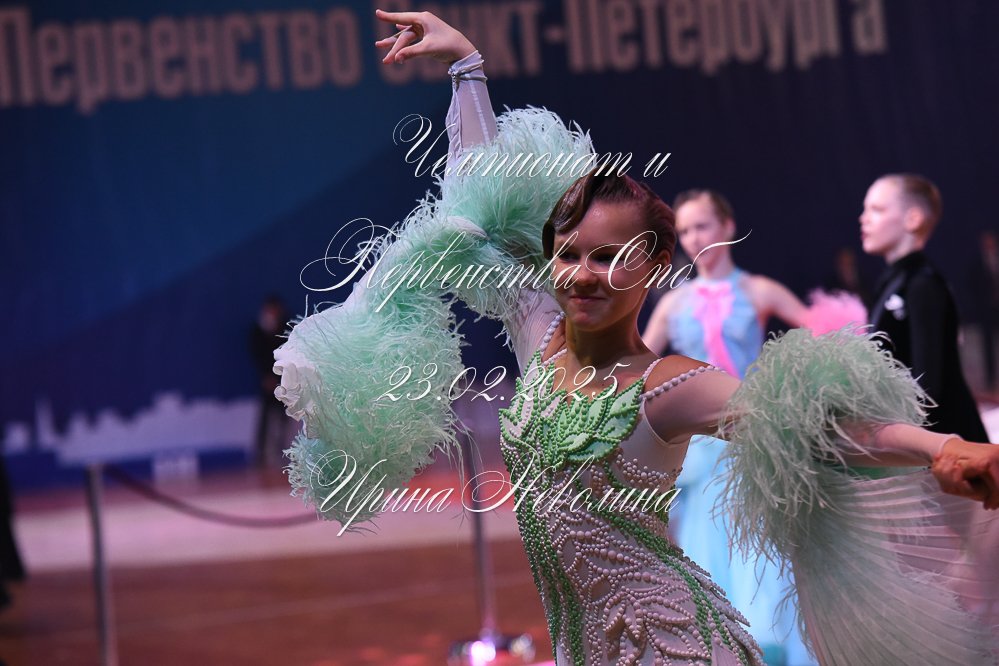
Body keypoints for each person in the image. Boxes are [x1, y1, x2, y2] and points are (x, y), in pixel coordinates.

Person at [272, 12, 999, 665]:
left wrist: (938, 446)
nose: (584, 275)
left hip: (673, 648)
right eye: (569, 254)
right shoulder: (538, 333)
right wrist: (467, 68)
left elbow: (816, 430)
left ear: (653, 265)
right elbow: (480, 198)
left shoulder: (668, 387)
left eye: (610, 257)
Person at [641, 190, 813, 665]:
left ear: (727, 227)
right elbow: (638, 368)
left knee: (764, 557)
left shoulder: (758, 290)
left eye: (703, 226)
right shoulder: (675, 303)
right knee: (706, 554)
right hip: (701, 453)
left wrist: (792, 390)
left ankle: (771, 648)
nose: (694, 238)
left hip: (754, 442)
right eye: (685, 230)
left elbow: (820, 332)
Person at [861, 175, 988, 442]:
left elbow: (926, 388)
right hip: (919, 439)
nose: (864, 218)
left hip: (946, 443)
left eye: (877, 209)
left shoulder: (923, 284)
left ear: (913, 219)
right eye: (865, 209)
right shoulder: (892, 283)